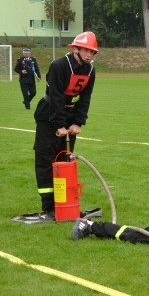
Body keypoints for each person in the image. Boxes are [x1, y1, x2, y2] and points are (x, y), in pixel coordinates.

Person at [25, 31, 98, 222]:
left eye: (92, 52)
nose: (89, 55)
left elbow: (85, 98)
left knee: (65, 161)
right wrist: (58, 124)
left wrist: (77, 122)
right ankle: (49, 207)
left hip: (69, 116)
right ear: (76, 49)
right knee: (46, 160)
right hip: (49, 115)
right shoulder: (59, 66)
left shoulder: (90, 70)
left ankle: (65, 204)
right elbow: (56, 95)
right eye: (86, 50)